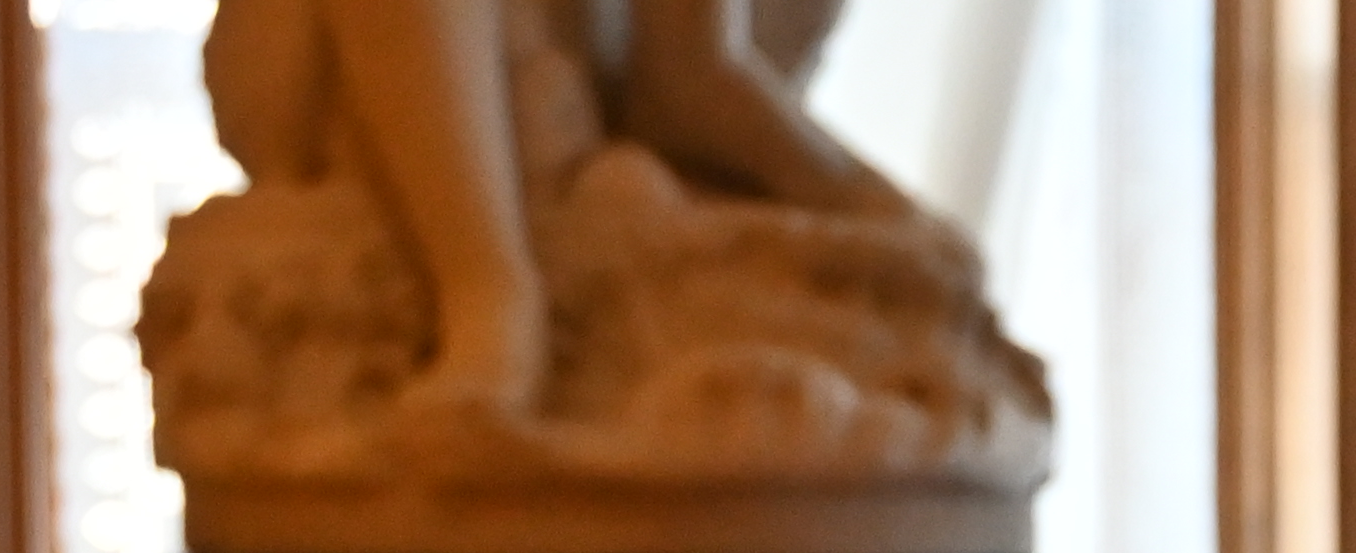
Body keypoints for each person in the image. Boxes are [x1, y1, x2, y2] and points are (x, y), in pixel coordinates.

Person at [201, 0, 902, 424]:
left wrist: (872, 202)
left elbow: (694, 75)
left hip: (575, 109)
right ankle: (486, 291)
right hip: (329, 71)